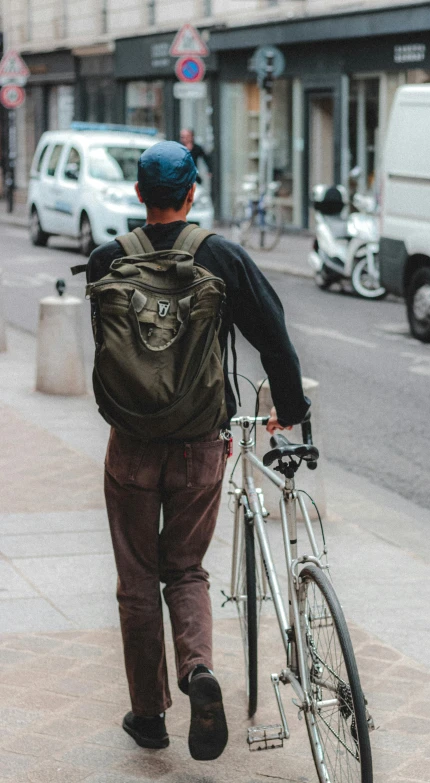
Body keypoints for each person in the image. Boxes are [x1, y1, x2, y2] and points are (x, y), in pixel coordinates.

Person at [87, 141, 310, 761]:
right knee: (184, 568)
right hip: (198, 447)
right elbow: (274, 336)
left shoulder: (108, 259)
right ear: (192, 195)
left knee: (136, 579)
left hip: (130, 446)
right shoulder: (222, 256)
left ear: (139, 195)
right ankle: (197, 671)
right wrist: (289, 409)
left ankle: (149, 715)